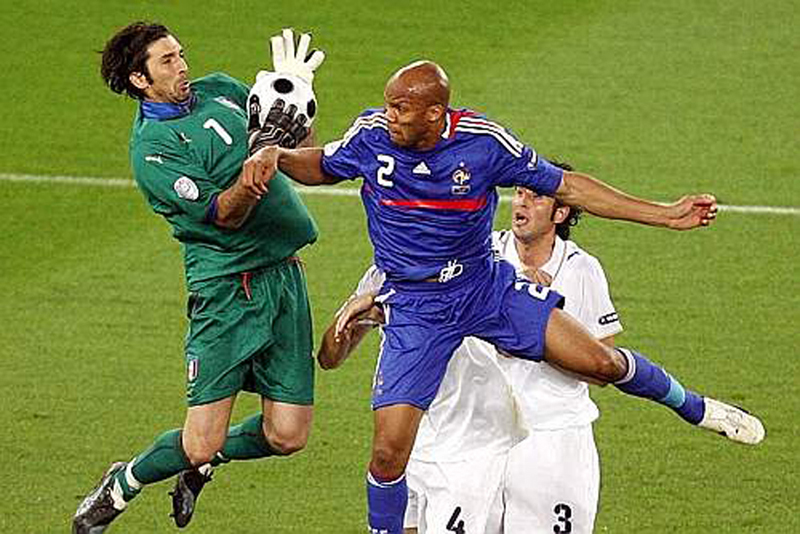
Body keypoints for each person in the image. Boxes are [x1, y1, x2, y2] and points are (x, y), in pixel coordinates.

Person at [261, 60, 762, 534]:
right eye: (388, 105)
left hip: (484, 287)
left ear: (435, 113)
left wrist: (663, 213)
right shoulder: (371, 136)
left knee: (602, 363)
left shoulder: (483, 143)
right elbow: (322, 165)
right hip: (415, 308)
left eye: (400, 108)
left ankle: (698, 409)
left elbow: (569, 186)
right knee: (388, 456)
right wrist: (274, 155)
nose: (388, 115)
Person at [320, 161, 764, 534]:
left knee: (604, 363)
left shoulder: (579, 269)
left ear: (561, 212)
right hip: (473, 433)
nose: (521, 204)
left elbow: (600, 367)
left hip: (553, 433)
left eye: (535, 196)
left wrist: (536, 332)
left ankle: (696, 407)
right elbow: (334, 355)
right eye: (518, 194)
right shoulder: (476, 260)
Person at [72, 23, 324, 533]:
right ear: (139, 80)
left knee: (288, 436)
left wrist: (298, 103)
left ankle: (202, 465)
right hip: (227, 291)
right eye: (167, 61)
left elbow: (299, 157)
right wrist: (258, 158)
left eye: (181, 54)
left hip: (283, 279)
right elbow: (226, 213)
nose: (182, 66)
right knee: (199, 440)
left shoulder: (222, 90)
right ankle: (124, 483)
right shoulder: (154, 152)